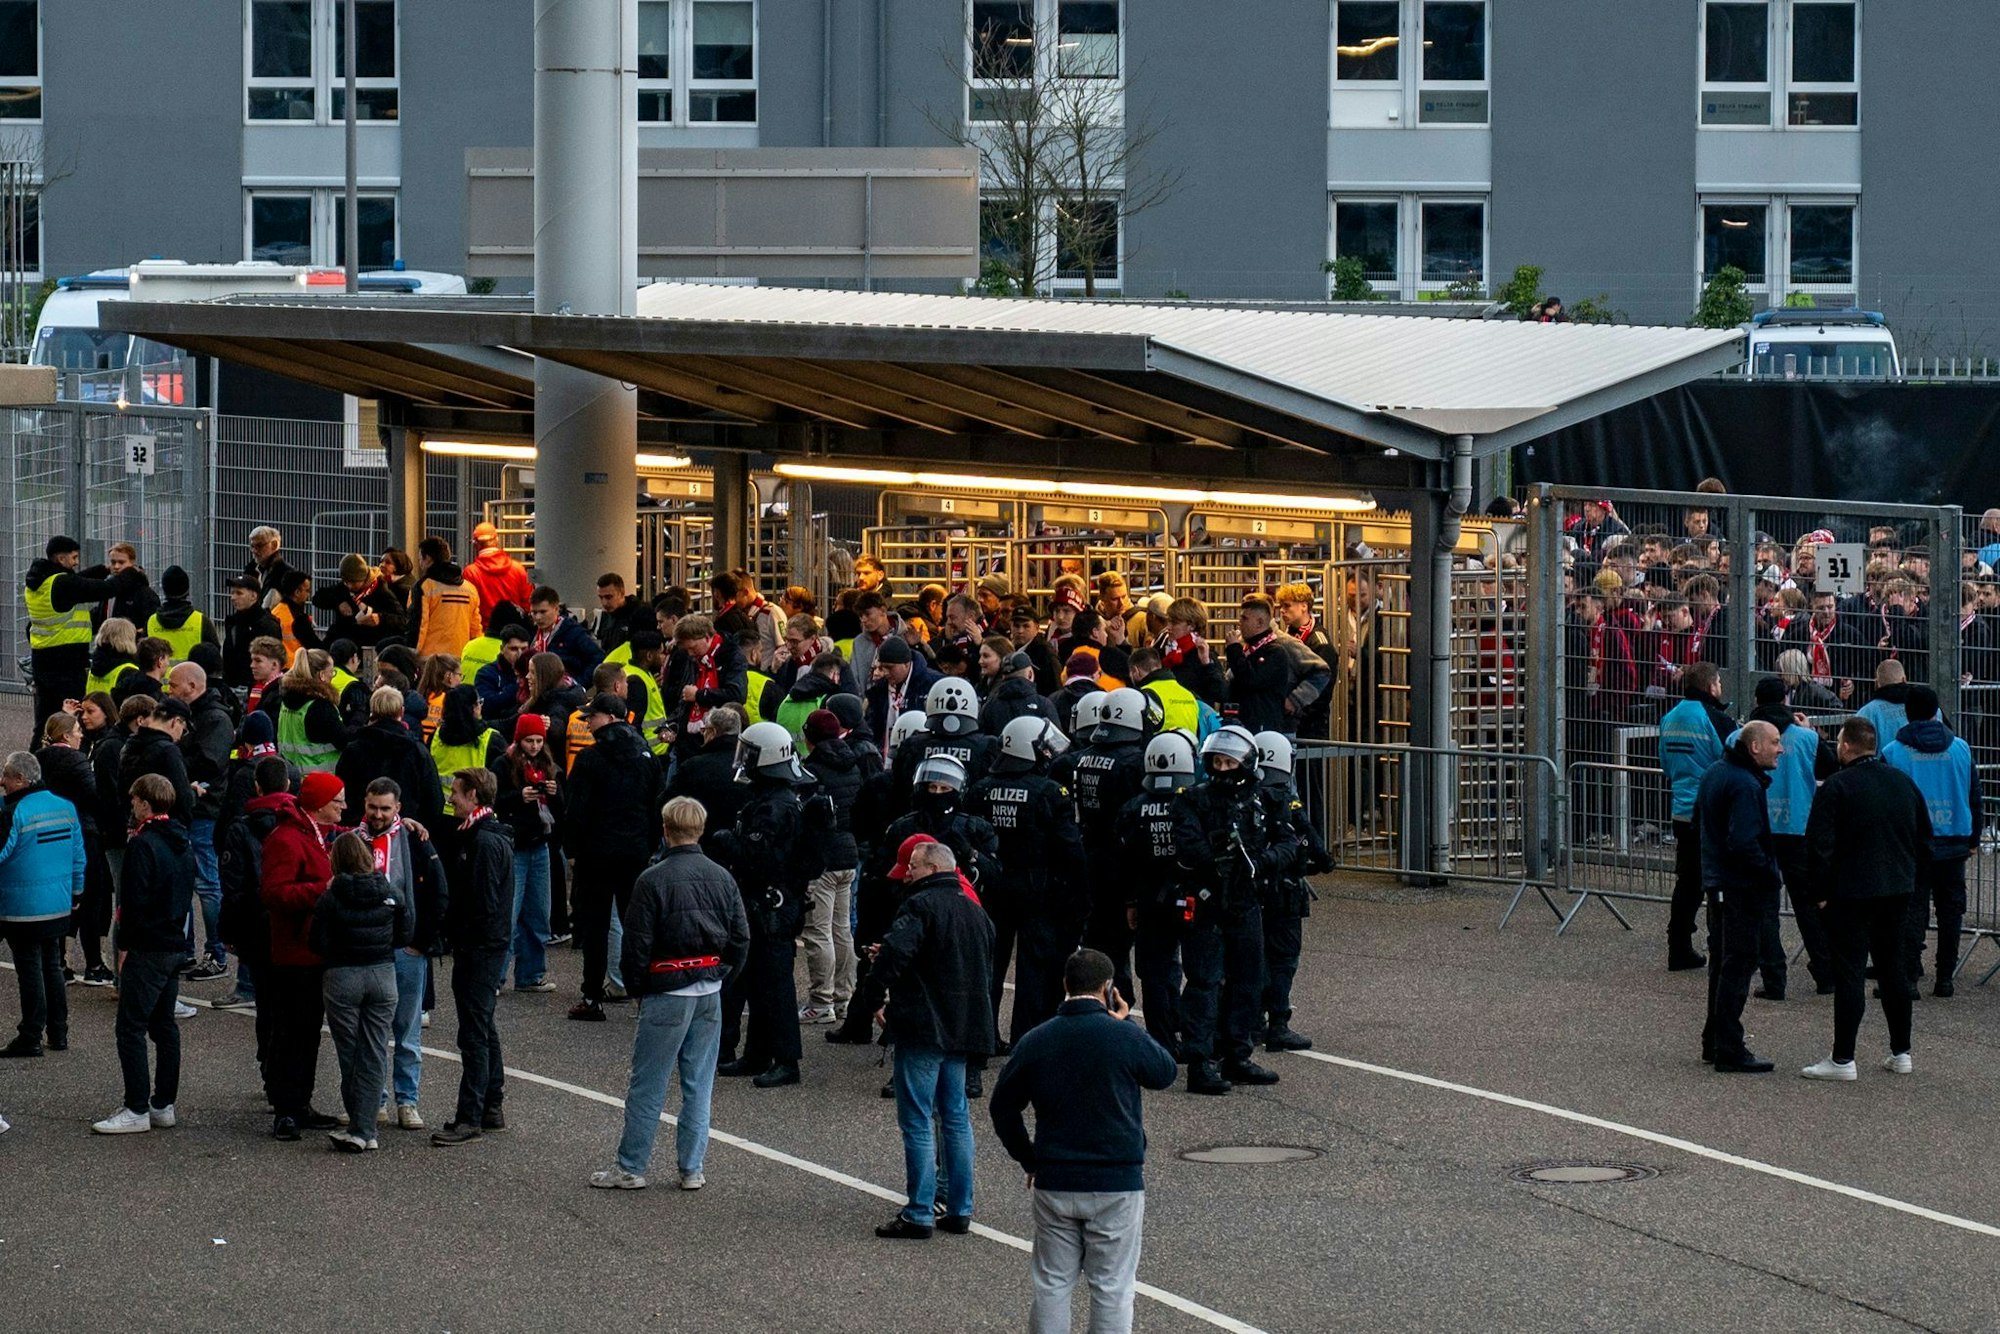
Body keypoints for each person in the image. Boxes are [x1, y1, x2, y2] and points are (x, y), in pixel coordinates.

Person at [991, 948, 1178, 1333]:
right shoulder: (1123, 1036)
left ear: (1065, 985)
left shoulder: (1037, 1040)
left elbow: (1003, 1108)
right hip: (1116, 1182)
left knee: (1052, 1283)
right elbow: (1165, 1072)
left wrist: (1029, 1158)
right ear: (1108, 988)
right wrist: (1126, 1024)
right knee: (1112, 1287)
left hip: (1056, 1177)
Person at [591, 796, 751, 1192]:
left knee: (649, 1082)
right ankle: (692, 1167)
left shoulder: (652, 879)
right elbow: (740, 937)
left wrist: (639, 988)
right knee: (698, 1081)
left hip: (667, 988)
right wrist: (720, 974)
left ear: (665, 829)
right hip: (708, 988)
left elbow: (637, 944)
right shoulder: (721, 876)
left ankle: (631, 1165)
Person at [868, 840, 997, 1240]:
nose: (906, 873)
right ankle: (959, 1208)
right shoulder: (975, 911)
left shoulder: (920, 907)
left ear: (931, 868)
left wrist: (872, 997)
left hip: (925, 1025)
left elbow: (897, 957)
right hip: (965, 1027)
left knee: (918, 1119)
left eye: (912, 867)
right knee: (955, 1116)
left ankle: (919, 1211)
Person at [1801, 719, 1929, 1081]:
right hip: (1897, 889)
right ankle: (1900, 1051)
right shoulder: (1903, 783)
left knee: (1850, 972)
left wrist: (1820, 894)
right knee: (1893, 969)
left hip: (1851, 892)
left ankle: (1843, 1058)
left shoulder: (1836, 787)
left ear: (1844, 746)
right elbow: (1923, 836)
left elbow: (1819, 845)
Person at [1171, 725, 1294, 1095]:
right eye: (1217, 762)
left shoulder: (1267, 799)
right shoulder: (1192, 799)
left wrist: (1263, 861)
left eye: (1229, 762)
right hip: (1208, 900)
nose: (1223, 769)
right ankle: (1200, 1061)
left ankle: (1237, 1055)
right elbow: (1187, 846)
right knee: (1205, 981)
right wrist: (1217, 861)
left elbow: (1289, 842)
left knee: (1248, 979)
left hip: (1246, 901)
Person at [968, 716, 1086, 1044]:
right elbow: (1069, 848)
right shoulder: (1050, 792)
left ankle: (982, 1035)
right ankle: (1027, 1037)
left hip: (991, 887)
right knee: (1034, 969)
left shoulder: (981, 789)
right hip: (1038, 890)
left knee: (989, 964)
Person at [711, 722, 815, 1088]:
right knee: (756, 982)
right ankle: (757, 1054)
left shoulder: (775, 807)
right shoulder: (771, 799)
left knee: (775, 987)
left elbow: (762, 859)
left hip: (771, 906)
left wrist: (728, 842)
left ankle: (787, 1060)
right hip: (767, 903)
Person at [90, 774, 194, 1133]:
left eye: (135, 801)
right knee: (164, 1026)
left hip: (148, 946)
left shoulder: (143, 845)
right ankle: (163, 1103)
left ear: (146, 804)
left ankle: (136, 1106)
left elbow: (132, 903)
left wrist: (125, 948)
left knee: (130, 1027)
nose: (131, 807)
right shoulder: (182, 842)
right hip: (172, 943)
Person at [356, 777, 449, 1132]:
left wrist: (421, 942)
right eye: (373, 807)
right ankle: (376, 1100)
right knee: (372, 1031)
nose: (378, 815)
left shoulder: (415, 840)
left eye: (385, 808)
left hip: (407, 950)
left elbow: (438, 893)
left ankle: (407, 1101)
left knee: (407, 1031)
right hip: (369, 950)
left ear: (399, 809)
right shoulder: (352, 840)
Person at [565, 695, 664, 1020]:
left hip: (596, 853)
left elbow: (576, 810)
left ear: (608, 717)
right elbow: (656, 804)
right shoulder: (647, 756)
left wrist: (574, 850)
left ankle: (592, 996)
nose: (587, 722)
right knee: (637, 924)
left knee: (595, 926)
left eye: (591, 717)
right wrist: (650, 845)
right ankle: (642, 994)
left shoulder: (591, 758)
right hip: (635, 852)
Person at [311, 831, 411, 1152]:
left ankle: (361, 1127)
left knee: (350, 1054)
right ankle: (364, 1129)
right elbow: (404, 934)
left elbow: (317, 942)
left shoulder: (331, 897)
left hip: (342, 977)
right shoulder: (391, 892)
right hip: (382, 975)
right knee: (375, 1049)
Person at [257, 769, 343, 1140]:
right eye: (338, 800)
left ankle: (300, 1102)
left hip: (311, 950)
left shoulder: (313, 833)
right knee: (291, 1033)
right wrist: (322, 890)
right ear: (321, 805)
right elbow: (274, 893)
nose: (344, 806)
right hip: (293, 953)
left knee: (307, 1032)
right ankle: (286, 1108)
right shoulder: (288, 839)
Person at [1880, 685, 1981, 998]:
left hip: (1912, 843)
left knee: (1912, 910)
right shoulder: (1961, 748)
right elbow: (1974, 797)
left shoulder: (1893, 751)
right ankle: (1945, 978)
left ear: (1907, 712)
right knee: (1951, 913)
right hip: (1953, 840)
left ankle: (1909, 976)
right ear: (1937, 712)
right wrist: (1974, 837)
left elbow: (1886, 803)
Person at [1695, 721, 1785, 1073]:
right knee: (1738, 963)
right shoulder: (1744, 784)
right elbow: (1743, 842)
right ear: (1755, 748)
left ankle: (1715, 1039)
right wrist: (1768, 873)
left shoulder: (1718, 773)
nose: (1781, 749)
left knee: (1723, 962)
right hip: (1739, 887)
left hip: (1720, 883)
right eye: (1775, 742)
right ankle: (1729, 1046)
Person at [434, 767, 514, 1147]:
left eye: (458, 793)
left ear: (475, 798)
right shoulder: (483, 836)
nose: (451, 798)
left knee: (474, 1033)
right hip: (485, 945)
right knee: (483, 1027)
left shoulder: (483, 842)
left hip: (480, 948)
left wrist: (458, 935)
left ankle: (471, 1115)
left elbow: (482, 903)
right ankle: (490, 1105)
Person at [0, 751, 85, 1057]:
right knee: (52, 966)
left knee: (29, 971)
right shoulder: (65, 807)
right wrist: (76, 893)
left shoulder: (14, 813)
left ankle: (31, 1035)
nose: (2, 782)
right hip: (58, 904)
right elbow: (78, 854)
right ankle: (59, 1032)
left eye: (6, 777)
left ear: (20, 779)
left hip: (22, 906)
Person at [1120, 729, 1198, 1058]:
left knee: (1154, 971)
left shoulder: (1134, 808)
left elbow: (1127, 859)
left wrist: (1131, 902)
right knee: (1197, 970)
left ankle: (1161, 1039)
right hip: (1191, 895)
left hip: (1150, 898)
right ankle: (1192, 1035)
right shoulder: (1194, 803)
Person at [24, 536, 143, 741]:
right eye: (74, 557)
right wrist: (131, 572)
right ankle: (73, 759)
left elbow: (80, 579)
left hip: (43, 661)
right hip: (66, 664)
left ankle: (37, 764)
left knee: (45, 722)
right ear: (61, 559)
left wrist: (105, 569)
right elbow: (105, 589)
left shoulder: (40, 581)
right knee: (74, 719)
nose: (76, 562)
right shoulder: (63, 583)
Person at [1657, 662, 1734, 972]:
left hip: (1681, 810)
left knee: (1687, 884)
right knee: (1718, 883)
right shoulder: (1715, 719)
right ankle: (1721, 948)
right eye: (1719, 683)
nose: (1721, 688)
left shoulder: (1669, 718)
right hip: (1712, 813)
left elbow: (1664, 763)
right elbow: (1733, 760)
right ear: (1711, 686)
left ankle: (1678, 947)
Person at [798, 709, 868, 1027]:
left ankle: (821, 1000)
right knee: (842, 930)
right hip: (849, 852)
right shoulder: (852, 763)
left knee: (818, 931)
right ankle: (844, 997)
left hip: (822, 858)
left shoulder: (810, 771)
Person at [171, 661, 236, 981]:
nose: (169, 690)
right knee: (185, 883)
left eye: (174, 685)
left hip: (204, 811)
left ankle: (216, 952)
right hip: (189, 810)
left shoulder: (214, 719)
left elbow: (210, 762)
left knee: (208, 885)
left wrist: (174, 756)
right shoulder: (196, 716)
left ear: (192, 687)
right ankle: (186, 951)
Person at [494, 713, 563, 992]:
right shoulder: (503, 764)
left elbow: (560, 808)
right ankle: (497, 977)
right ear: (519, 739)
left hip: (540, 844)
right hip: (516, 846)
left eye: (538, 741)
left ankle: (531, 974)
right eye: (529, 741)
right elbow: (494, 800)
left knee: (538, 915)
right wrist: (517, 797)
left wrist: (555, 792)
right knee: (508, 916)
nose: (534, 746)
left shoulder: (548, 764)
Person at [337, 686, 445, 830]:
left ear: (372, 712)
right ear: (401, 712)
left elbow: (343, 796)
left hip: (361, 833)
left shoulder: (353, 750)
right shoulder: (417, 751)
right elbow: (434, 801)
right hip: (406, 833)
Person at [409, 536, 483, 659]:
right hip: (462, 657)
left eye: (420, 559)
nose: (420, 564)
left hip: (431, 660)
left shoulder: (424, 586)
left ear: (428, 558)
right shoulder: (469, 589)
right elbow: (475, 629)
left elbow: (418, 624)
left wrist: (412, 653)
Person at [312, 553, 407, 648]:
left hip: (368, 645)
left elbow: (402, 620)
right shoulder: (343, 588)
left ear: (364, 578)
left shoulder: (381, 591)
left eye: (354, 582)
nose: (349, 586)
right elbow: (317, 598)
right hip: (342, 643)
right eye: (346, 582)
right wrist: (338, 602)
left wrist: (380, 618)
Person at [463, 523, 535, 630]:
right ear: (497, 540)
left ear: (476, 545)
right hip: (514, 633)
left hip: (485, 633)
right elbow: (528, 604)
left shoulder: (471, 573)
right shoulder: (518, 569)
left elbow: (469, 609)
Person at [528, 585, 604, 680]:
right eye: (534, 613)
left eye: (543, 612)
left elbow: (598, 658)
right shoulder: (532, 634)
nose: (538, 617)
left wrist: (579, 685)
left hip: (564, 691)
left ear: (556, 609)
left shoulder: (574, 632)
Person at [221, 575, 282, 692]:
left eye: (239, 593)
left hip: (257, 689)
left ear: (253, 596)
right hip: (233, 688)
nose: (233, 597)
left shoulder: (267, 624)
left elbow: (271, 661)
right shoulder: (233, 622)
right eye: (232, 593)